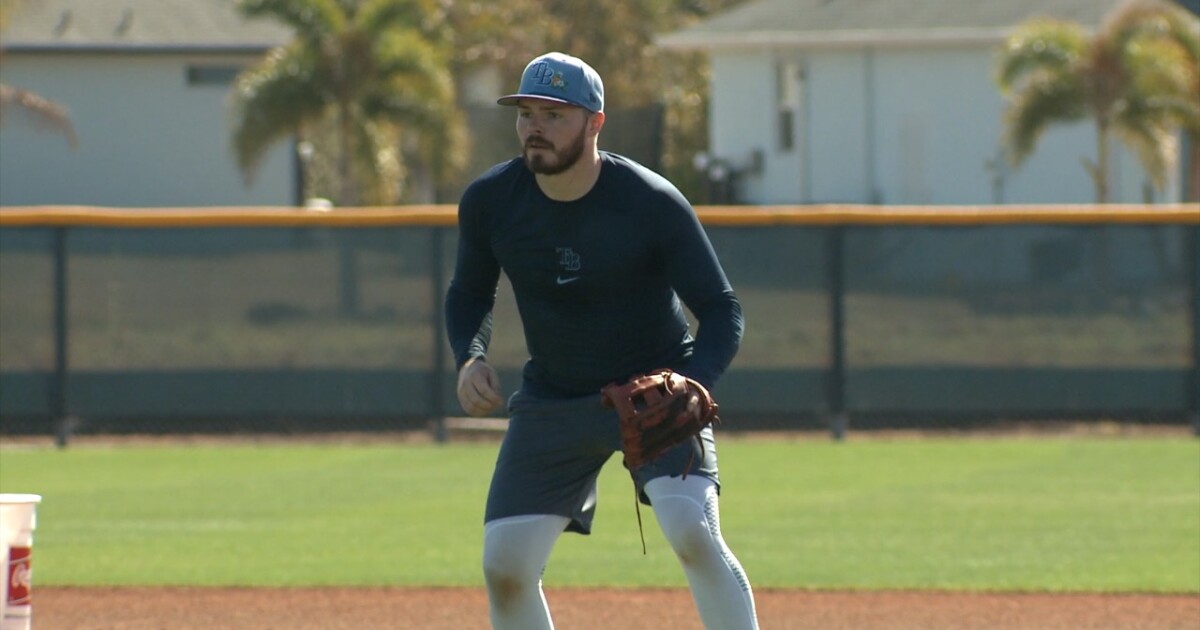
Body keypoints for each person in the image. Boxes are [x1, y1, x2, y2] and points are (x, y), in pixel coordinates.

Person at [445, 51, 759, 630]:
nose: (535, 127)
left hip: (653, 393)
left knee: (692, 533)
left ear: (595, 123)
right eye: (526, 113)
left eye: (554, 114)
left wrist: (694, 385)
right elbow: (468, 293)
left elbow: (721, 308)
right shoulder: (492, 201)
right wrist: (470, 357)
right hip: (554, 399)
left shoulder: (649, 201)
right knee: (505, 565)